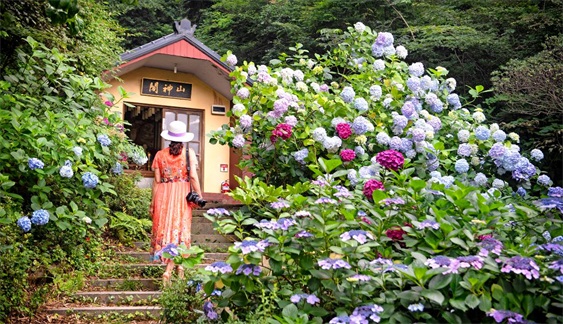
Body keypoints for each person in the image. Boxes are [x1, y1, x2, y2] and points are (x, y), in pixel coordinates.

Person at [149, 120, 202, 285]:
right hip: (182, 193)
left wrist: (152, 203)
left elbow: (156, 182)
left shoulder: (159, 154)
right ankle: (169, 270)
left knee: (167, 229)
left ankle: (180, 268)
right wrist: (199, 195)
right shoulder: (189, 153)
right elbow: (193, 176)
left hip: (164, 194)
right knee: (180, 229)